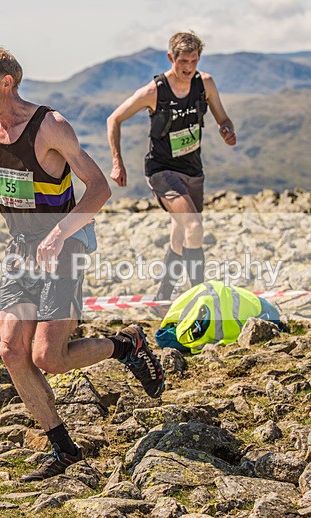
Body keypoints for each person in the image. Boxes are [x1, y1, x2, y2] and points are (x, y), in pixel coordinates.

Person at [0, 46, 166, 482]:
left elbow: (98, 188)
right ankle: (64, 450)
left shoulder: (50, 127)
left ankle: (126, 345)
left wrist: (60, 234)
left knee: (49, 357)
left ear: (6, 83)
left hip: (63, 251)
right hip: (20, 251)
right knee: (11, 351)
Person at [107, 31, 237, 311]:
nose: (189, 67)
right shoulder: (155, 91)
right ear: (171, 58)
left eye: (194, 61)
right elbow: (114, 118)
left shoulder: (205, 84)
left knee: (181, 230)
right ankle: (199, 299)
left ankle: (163, 295)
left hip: (193, 169)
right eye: (183, 62)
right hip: (161, 170)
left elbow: (222, 116)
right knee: (194, 226)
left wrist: (227, 129)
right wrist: (117, 162)